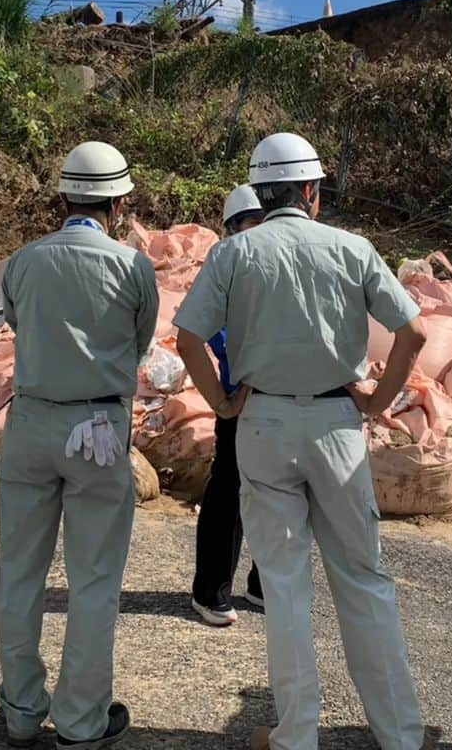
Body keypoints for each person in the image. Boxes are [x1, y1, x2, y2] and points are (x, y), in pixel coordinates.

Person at [175, 133, 428, 750]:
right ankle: (399, 734)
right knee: (363, 579)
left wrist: (223, 401)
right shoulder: (353, 248)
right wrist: (376, 400)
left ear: (261, 193)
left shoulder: (236, 253)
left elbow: (186, 337)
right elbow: (415, 333)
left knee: (285, 587)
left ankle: (296, 735)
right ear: (313, 190)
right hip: (336, 422)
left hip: (262, 424)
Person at [0, 141, 158, 749]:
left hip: (33, 422)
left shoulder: (22, 262)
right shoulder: (133, 266)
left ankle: (19, 709)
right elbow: (138, 343)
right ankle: (83, 721)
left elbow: (13, 321)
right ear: (118, 204)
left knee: (18, 572)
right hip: (99, 429)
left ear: (63, 197)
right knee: (93, 580)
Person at [191, 184, 266, 628]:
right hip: (241, 402)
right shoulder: (225, 264)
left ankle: (262, 584)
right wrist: (228, 397)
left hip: (277, 399)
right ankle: (211, 591)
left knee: (282, 495)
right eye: (249, 224)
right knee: (230, 493)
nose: (257, 232)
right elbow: (206, 332)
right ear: (233, 228)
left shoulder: (281, 260)